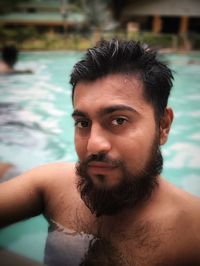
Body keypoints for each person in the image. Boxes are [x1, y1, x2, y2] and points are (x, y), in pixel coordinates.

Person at [0, 39, 200, 266]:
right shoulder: (49, 186)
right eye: (83, 123)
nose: (93, 145)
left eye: (118, 120)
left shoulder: (193, 232)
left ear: (163, 125)